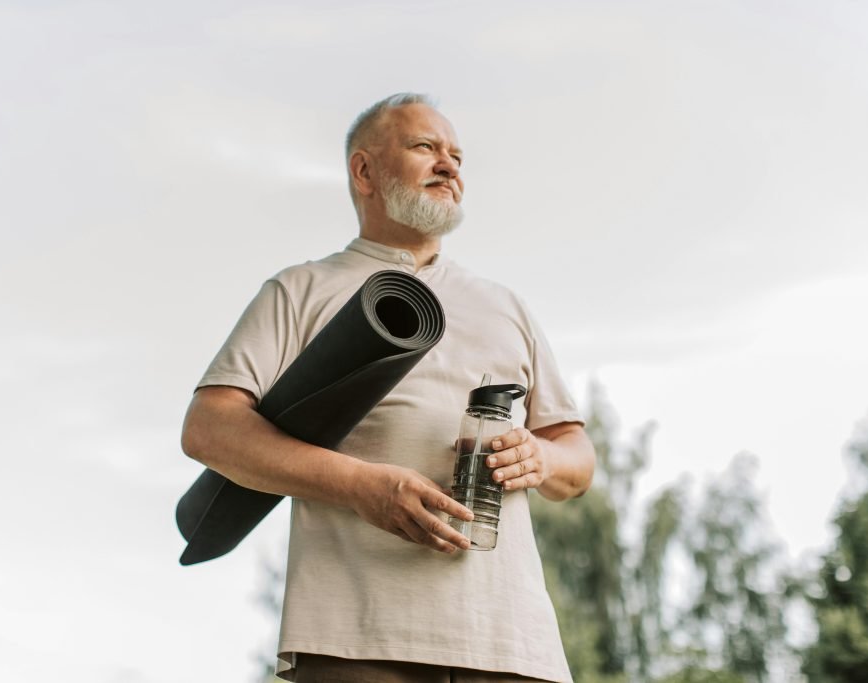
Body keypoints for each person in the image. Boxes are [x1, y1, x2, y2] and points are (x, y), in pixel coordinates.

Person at [181, 93, 596, 683]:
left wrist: (542, 454)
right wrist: (359, 485)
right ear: (364, 170)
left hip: (514, 647)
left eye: (456, 155)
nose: (449, 165)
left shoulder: (507, 307)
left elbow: (576, 462)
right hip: (356, 640)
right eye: (425, 147)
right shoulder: (300, 289)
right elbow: (208, 429)